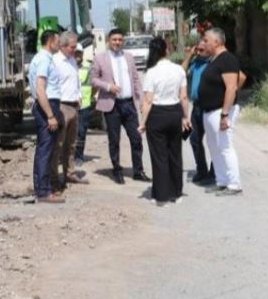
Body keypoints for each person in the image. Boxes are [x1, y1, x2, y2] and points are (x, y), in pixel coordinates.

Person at [91, 28, 151, 184]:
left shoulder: (129, 57)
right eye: (114, 40)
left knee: (136, 138)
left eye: (120, 40)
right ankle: (117, 169)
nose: (117, 42)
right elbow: (93, 79)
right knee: (114, 139)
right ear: (108, 41)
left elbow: (136, 80)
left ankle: (138, 171)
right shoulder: (100, 58)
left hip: (128, 104)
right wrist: (108, 86)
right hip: (112, 105)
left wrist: (141, 100)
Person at [138, 37, 191, 205]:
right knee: (175, 153)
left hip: (157, 115)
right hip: (174, 112)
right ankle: (177, 193)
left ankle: (161, 196)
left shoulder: (151, 72)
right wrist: (185, 117)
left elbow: (148, 101)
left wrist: (143, 123)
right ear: (166, 50)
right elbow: (183, 97)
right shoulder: (178, 70)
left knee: (159, 156)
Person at [199, 28, 242, 195]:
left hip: (221, 111)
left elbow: (231, 87)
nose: (204, 43)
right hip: (209, 111)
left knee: (225, 146)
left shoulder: (227, 59)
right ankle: (221, 180)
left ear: (216, 42)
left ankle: (234, 184)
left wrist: (225, 114)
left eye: (207, 40)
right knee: (214, 147)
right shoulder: (214, 59)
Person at [28, 29, 65, 203]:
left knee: (44, 149)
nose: (59, 44)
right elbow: (40, 88)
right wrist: (50, 115)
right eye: (57, 41)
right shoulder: (43, 59)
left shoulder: (42, 58)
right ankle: (43, 191)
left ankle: (41, 188)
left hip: (47, 105)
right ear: (50, 40)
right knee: (45, 150)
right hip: (47, 105)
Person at [51, 31, 88, 188]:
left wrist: (79, 96)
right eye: (72, 47)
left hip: (73, 106)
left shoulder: (72, 60)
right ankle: (53, 179)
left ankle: (70, 174)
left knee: (71, 144)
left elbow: (76, 81)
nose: (75, 49)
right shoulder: (55, 62)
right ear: (63, 46)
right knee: (58, 144)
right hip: (61, 106)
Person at [181, 39, 215, 184]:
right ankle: (201, 170)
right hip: (197, 107)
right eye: (198, 50)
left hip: (212, 106)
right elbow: (181, 72)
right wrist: (189, 56)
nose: (199, 52)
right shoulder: (196, 63)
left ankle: (215, 171)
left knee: (214, 141)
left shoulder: (214, 63)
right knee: (195, 139)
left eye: (202, 50)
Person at [75, 44, 94, 167]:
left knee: (81, 132)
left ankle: (79, 156)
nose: (77, 55)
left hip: (84, 105)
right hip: (70, 104)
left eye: (79, 53)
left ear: (82, 54)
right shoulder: (67, 65)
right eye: (75, 52)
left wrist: (90, 97)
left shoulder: (88, 66)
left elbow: (94, 85)